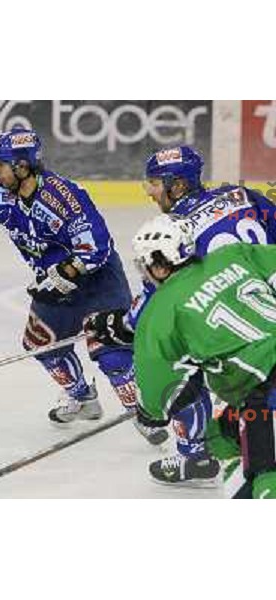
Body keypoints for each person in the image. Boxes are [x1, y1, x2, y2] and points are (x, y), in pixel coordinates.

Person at [0, 127, 166, 445]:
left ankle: (143, 412)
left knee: (112, 354)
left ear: (22, 167)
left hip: (98, 282)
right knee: (41, 344)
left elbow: (96, 247)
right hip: (53, 285)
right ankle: (82, 397)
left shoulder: (64, 197)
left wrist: (65, 273)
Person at [84, 145, 276, 485]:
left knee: (182, 358)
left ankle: (196, 456)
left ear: (179, 185)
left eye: (156, 183)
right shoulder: (241, 195)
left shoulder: (174, 229)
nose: (150, 192)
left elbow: (160, 309)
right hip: (263, 300)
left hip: (234, 336)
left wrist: (116, 324)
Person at [131, 214, 276, 499]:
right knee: (220, 436)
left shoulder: (160, 311)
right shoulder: (234, 255)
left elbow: (159, 394)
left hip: (264, 389)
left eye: (145, 265)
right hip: (258, 391)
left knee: (267, 473)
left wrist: (149, 413)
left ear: (159, 266)